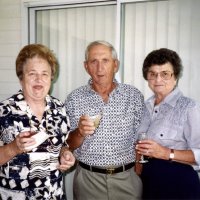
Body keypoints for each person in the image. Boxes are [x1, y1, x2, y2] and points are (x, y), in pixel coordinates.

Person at [65, 40, 144, 200]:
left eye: (105, 61)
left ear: (115, 65)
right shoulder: (74, 98)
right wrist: (80, 132)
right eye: (94, 61)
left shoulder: (133, 95)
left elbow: (141, 137)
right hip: (88, 181)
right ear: (86, 66)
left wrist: (138, 170)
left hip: (127, 180)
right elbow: (68, 145)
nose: (100, 68)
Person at [0, 44, 75, 199]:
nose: (39, 79)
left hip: (53, 194)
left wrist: (65, 154)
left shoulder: (59, 109)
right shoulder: (4, 111)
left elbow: (63, 146)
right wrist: (13, 148)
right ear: (21, 77)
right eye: (32, 73)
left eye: (45, 74)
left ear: (51, 78)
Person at [136, 48, 200, 199]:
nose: (158, 80)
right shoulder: (144, 107)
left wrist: (165, 153)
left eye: (165, 74)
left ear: (175, 76)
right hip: (148, 182)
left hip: (178, 184)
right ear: (147, 77)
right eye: (153, 74)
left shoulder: (190, 107)